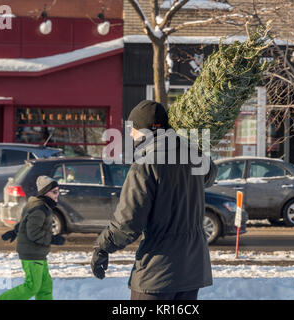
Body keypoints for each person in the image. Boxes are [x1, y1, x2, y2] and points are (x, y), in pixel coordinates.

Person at [91, 100, 218, 300]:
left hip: (158, 272)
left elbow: (128, 222)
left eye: (132, 129)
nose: (130, 134)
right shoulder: (193, 156)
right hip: (192, 269)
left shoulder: (145, 165)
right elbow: (210, 174)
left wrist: (103, 246)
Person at [0, 176, 65, 300]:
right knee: (32, 286)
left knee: (45, 287)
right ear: (44, 192)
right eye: (54, 192)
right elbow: (34, 233)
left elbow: (26, 223)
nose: (57, 194)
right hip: (32, 254)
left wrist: (15, 231)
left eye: (58, 191)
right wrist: (52, 239)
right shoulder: (40, 209)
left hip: (38, 253)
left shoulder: (38, 205)